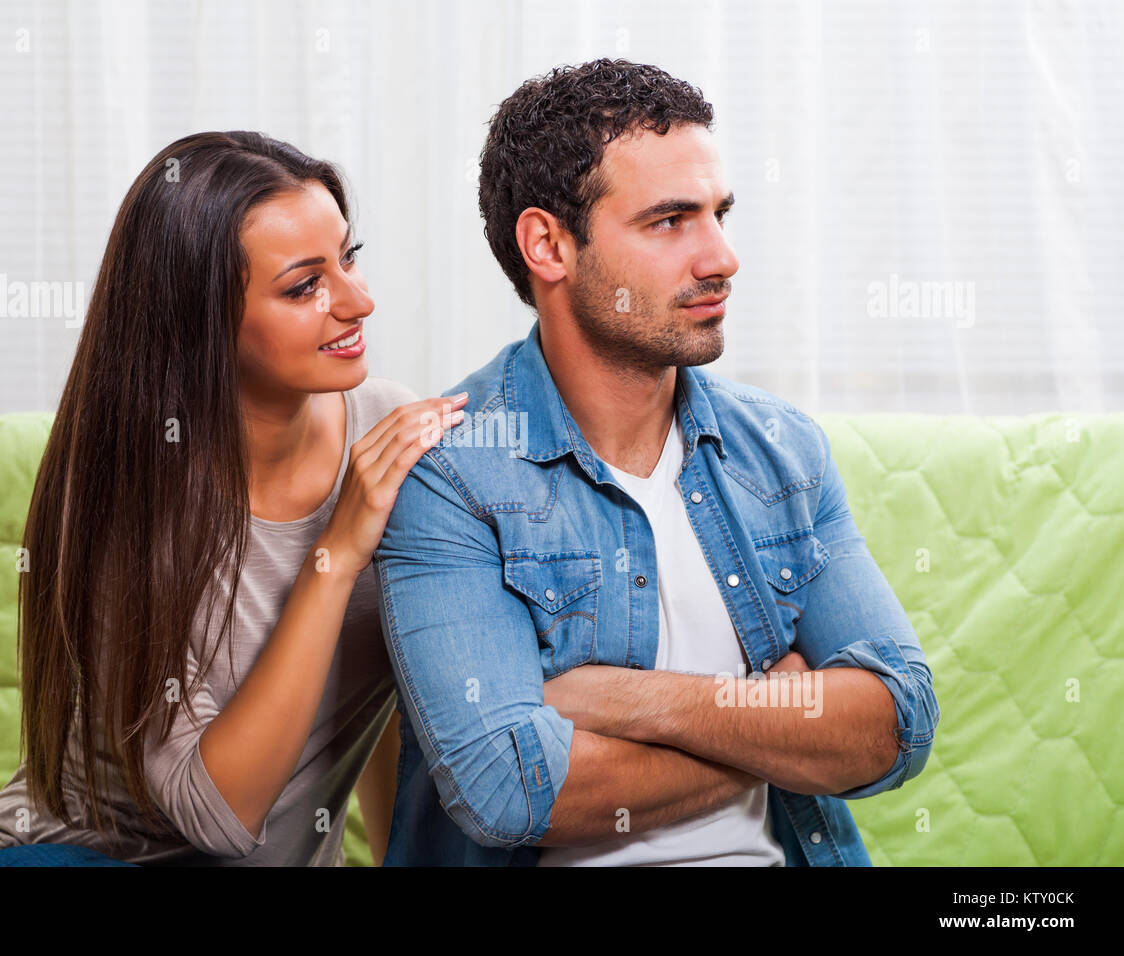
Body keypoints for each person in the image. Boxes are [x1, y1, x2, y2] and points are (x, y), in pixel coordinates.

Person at [374, 59, 940, 866]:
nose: (721, 258)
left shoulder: (782, 450)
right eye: (671, 220)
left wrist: (634, 704)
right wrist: (777, 718)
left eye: (719, 213)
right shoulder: (454, 473)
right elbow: (507, 790)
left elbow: (898, 722)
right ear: (548, 244)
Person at [0, 130, 466, 866]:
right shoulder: (129, 505)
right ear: (200, 321)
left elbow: (394, 698)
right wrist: (337, 553)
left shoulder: (385, 428)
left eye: (348, 258)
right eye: (304, 285)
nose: (359, 300)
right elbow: (218, 816)